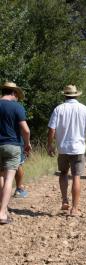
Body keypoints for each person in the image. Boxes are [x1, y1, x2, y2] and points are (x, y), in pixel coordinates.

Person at [47, 85, 86, 216]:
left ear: (65, 95)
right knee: (76, 176)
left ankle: (64, 200)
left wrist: (50, 145)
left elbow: (51, 130)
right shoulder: (84, 109)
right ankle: (74, 208)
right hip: (78, 148)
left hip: (63, 148)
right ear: (77, 95)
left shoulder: (58, 109)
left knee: (63, 173)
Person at [0, 81, 31, 225]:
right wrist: (27, 144)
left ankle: (2, 209)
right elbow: (25, 130)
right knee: (8, 179)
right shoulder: (17, 107)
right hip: (12, 146)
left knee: (0, 177)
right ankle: (2, 213)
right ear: (14, 93)